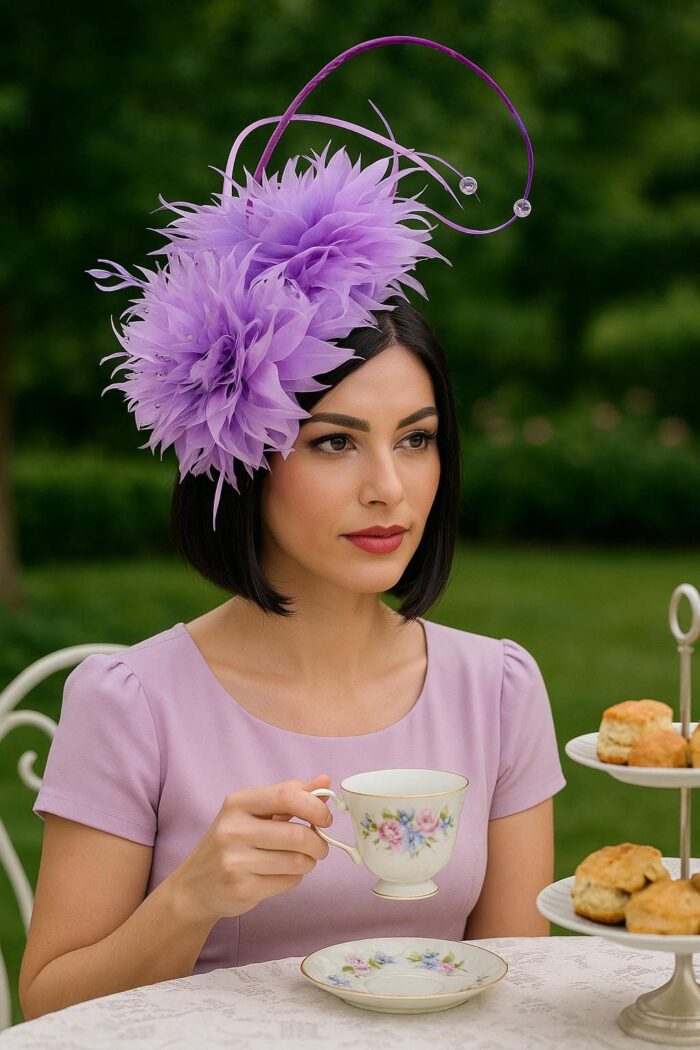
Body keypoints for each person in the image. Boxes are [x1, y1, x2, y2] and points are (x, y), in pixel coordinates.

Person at [19, 36, 565, 1021]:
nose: (388, 488)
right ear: (240, 458)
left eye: (418, 439)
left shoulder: (498, 690)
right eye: (332, 444)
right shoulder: (130, 701)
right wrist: (189, 898)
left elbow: (517, 999)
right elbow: (49, 1007)